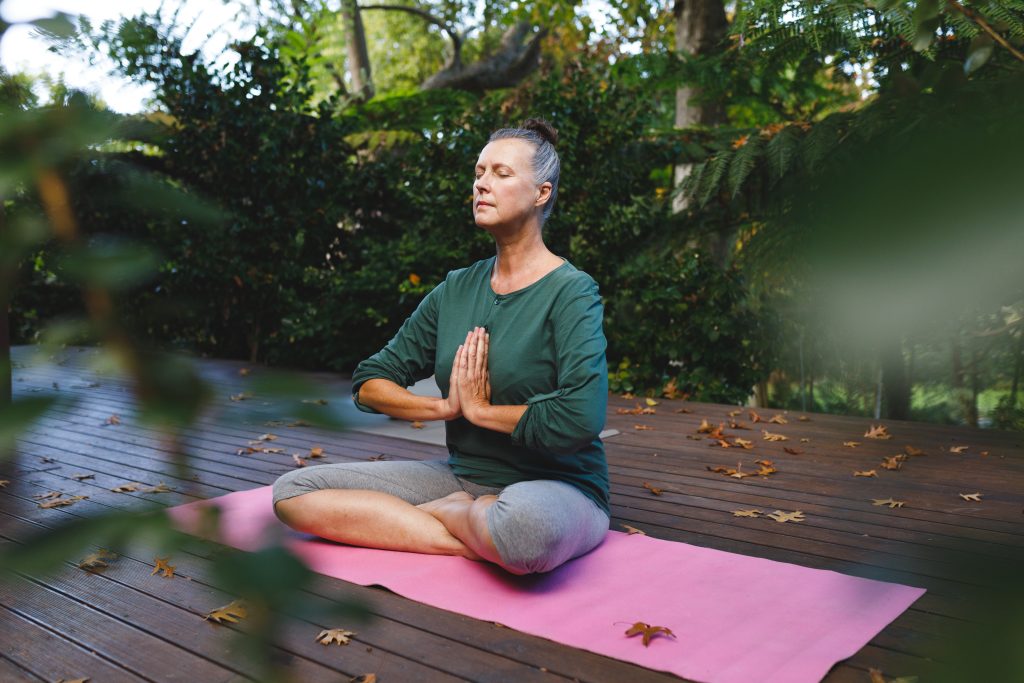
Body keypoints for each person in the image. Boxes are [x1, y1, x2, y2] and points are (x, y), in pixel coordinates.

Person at [272, 118, 611, 575]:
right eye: (478, 173)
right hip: (462, 477)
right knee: (294, 493)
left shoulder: (571, 291)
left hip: (557, 486)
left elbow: (581, 416)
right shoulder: (456, 289)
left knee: (525, 530)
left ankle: (456, 519)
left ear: (542, 193)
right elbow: (371, 380)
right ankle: (465, 530)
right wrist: (445, 407)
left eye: (501, 174)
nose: (482, 185)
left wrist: (481, 411)